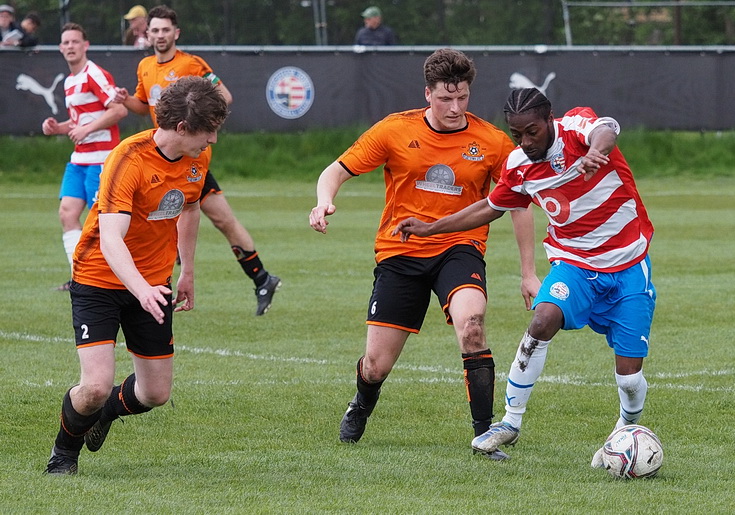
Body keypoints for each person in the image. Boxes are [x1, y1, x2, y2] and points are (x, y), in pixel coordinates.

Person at [394, 87, 656, 465]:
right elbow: (490, 207)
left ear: (549, 120)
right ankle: (510, 422)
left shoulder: (576, 129)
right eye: (517, 134)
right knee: (542, 319)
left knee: (629, 378)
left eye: (532, 131)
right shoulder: (519, 165)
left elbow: (606, 128)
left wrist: (597, 151)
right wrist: (431, 228)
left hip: (628, 264)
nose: (525, 141)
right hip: (574, 265)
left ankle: (623, 431)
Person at [309, 48, 536, 459]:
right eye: (446, 98)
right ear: (427, 93)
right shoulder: (395, 130)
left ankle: (485, 436)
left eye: (462, 97)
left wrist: (528, 272)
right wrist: (323, 200)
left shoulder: (491, 142)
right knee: (376, 365)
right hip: (401, 252)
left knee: (472, 327)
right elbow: (336, 170)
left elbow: (518, 202)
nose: (455, 107)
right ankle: (362, 402)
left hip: (460, 249)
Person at [44, 75, 230, 475]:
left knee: (156, 393)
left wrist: (188, 271)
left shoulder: (197, 157)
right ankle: (63, 455)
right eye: (207, 133)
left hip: (154, 282)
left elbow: (191, 209)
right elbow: (111, 238)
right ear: (181, 128)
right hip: (99, 278)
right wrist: (142, 289)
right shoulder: (127, 159)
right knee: (93, 386)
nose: (211, 141)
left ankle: (105, 414)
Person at [113, 4, 281, 316]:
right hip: (162, 157)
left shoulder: (191, 63)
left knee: (195, 216)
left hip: (188, 159)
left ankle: (155, 284)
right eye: (155, 30)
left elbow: (224, 96)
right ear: (146, 34)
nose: (161, 35)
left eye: (166, 30)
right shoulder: (145, 67)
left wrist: (200, 124)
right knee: (209, 218)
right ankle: (260, 278)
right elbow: (144, 105)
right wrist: (127, 101)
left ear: (176, 33)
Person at [41, 23, 127, 291]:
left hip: (101, 159)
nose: (70, 47)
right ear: (60, 48)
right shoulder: (69, 81)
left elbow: (118, 110)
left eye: (75, 42)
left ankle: (111, 277)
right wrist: (59, 128)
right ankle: (79, 276)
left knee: (101, 220)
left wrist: (86, 129)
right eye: (65, 43)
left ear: (85, 45)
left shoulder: (95, 74)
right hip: (79, 159)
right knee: (67, 214)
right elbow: (80, 120)